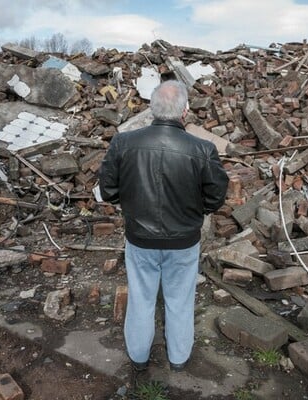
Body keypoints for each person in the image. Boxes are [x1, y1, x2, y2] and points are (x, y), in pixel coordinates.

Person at [98, 80, 229, 372]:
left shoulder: (123, 142)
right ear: (185, 111)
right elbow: (216, 196)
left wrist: (131, 204)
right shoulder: (203, 149)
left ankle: (139, 357)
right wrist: (196, 211)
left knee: (141, 298)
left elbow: (107, 190)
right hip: (184, 240)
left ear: (152, 109)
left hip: (140, 238)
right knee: (180, 300)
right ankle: (179, 358)